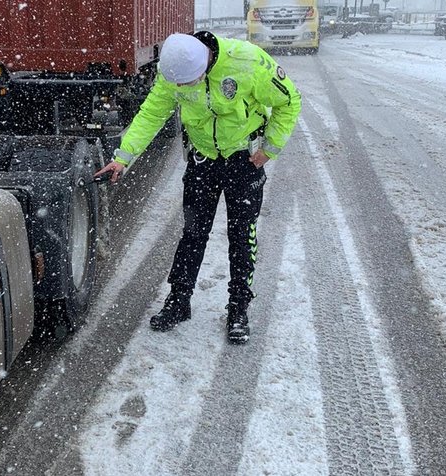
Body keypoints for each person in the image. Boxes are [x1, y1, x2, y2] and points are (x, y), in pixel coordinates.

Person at [95, 31, 301, 344]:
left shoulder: (248, 63)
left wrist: (269, 149)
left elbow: (289, 101)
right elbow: (152, 113)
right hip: (203, 160)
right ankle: (179, 301)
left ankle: (238, 308)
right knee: (192, 233)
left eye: (185, 84)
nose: (178, 89)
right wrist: (123, 158)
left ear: (204, 66)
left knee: (241, 236)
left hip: (244, 162)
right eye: (175, 84)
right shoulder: (173, 70)